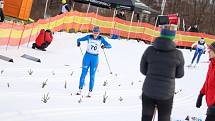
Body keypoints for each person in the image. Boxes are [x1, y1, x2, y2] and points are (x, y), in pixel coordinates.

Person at [140, 24, 185, 121]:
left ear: (161, 34)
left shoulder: (149, 50)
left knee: (146, 117)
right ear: (173, 36)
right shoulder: (178, 54)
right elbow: (180, 74)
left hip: (148, 90)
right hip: (166, 93)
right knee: (164, 118)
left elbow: (143, 70)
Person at [76, 26, 112, 97]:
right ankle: (80, 90)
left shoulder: (101, 39)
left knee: (92, 75)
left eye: (97, 33)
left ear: (99, 33)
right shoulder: (89, 37)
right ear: (92, 32)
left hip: (95, 58)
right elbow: (78, 39)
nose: (95, 34)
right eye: (94, 32)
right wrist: (78, 43)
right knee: (83, 74)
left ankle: (90, 92)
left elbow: (110, 46)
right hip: (87, 57)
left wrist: (104, 46)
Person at [196, 42, 215, 121]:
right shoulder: (212, 64)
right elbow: (207, 81)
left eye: (210, 50)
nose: (208, 52)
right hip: (211, 105)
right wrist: (201, 94)